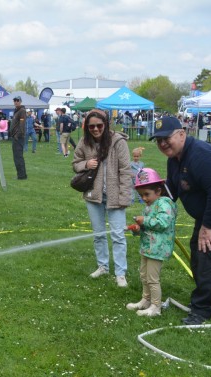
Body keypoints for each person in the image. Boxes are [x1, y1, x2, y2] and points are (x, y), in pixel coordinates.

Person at [152, 116, 211, 325]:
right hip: (210, 213)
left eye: (166, 138)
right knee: (198, 255)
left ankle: (203, 309)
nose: (162, 144)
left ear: (182, 134)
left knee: (210, 258)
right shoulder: (175, 159)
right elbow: (172, 190)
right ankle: (203, 300)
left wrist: (207, 227)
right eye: (158, 140)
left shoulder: (201, 156)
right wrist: (155, 210)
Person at [72, 109, 133, 287]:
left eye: (99, 125)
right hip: (93, 195)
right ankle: (103, 266)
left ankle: (120, 273)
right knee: (98, 234)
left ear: (106, 125)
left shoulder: (118, 142)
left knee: (118, 235)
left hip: (115, 196)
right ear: (87, 127)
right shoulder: (84, 142)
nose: (96, 129)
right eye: (92, 126)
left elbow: (126, 171)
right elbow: (75, 164)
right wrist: (86, 164)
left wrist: (124, 197)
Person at [126, 168, 177, 317]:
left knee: (152, 279)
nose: (144, 198)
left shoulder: (165, 204)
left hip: (158, 248)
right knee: (144, 275)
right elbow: (146, 227)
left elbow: (163, 223)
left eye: (147, 194)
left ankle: (156, 306)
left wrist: (145, 221)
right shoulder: (149, 207)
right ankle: (145, 300)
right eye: (141, 195)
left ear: (158, 191)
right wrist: (137, 229)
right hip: (147, 247)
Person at [10, 96, 27, 179]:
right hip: (15, 136)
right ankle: (21, 175)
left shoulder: (22, 111)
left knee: (18, 157)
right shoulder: (16, 111)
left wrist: (18, 135)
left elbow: (22, 125)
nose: (15, 102)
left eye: (17, 100)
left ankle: (21, 176)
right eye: (14, 100)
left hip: (18, 137)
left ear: (20, 101)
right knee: (16, 157)